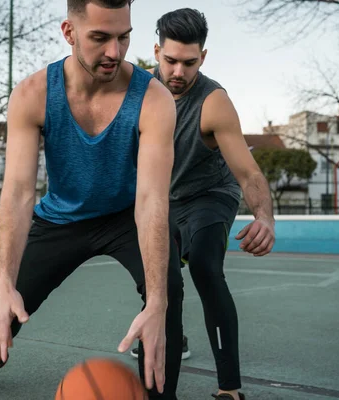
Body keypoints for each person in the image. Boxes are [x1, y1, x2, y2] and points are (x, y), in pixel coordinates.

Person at [0, 0, 185, 399]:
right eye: (100, 37)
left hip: (126, 214)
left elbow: (150, 200)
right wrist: (4, 283)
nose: (114, 51)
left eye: (123, 37)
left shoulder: (154, 99)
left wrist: (158, 299)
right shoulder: (33, 94)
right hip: (62, 215)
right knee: (14, 295)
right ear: (69, 32)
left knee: (168, 289)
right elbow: (20, 191)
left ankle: (163, 392)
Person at [131, 8, 277, 400]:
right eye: (170, 61)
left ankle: (229, 387)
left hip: (210, 195)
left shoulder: (213, 102)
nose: (178, 72)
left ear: (203, 58)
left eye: (189, 63)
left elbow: (247, 172)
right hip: (163, 200)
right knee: (161, 284)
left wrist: (264, 216)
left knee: (206, 268)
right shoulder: (138, 93)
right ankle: (163, 368)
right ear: (156, 51)